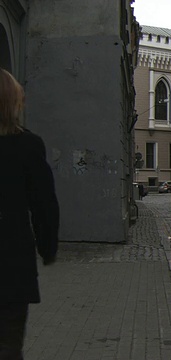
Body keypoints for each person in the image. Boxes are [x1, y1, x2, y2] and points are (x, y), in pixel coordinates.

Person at [0, 68, 59, 359]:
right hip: (11, 259)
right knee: (9, 344)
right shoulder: (27, 145)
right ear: (14, 103)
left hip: (12, 259)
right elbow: (44, 204)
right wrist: (48, 248)